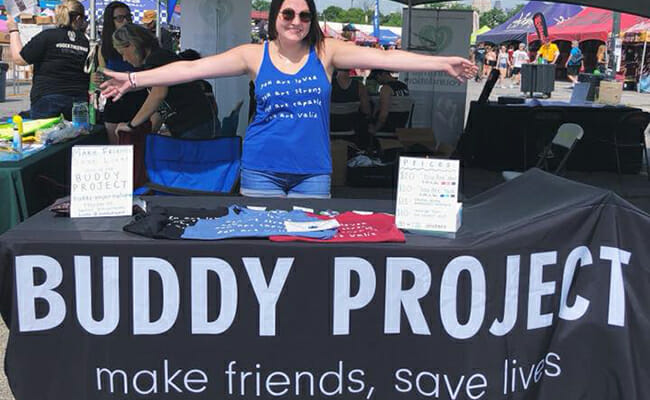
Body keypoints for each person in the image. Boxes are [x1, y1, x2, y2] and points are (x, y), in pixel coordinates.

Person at [101, 0, 476, 199]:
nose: (296, 20)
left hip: (312, 172)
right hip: (261, 170)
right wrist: (134, 79)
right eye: (288, 13)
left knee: (309, 267)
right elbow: (190, 70)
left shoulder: (327, 52)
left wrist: (442, 61)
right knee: (262, 260)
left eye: (305, 15)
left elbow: (386, 58)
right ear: (275, 15)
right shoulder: (253, 54)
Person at [110, 23, 217, 139]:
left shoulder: (156, 60)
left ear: (132, 45)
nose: (124, 59)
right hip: (195, 124)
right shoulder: (161, 57)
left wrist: (132, 125)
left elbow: (158, 94)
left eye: (122, 53)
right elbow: (160, 105)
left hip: (194, 125)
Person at [7, 0, 89, 119]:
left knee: (45, 136)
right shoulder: (84, 41)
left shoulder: (47, 36)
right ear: (77, 18)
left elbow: (19, 59)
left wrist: (13, 30)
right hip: (78, 101)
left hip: (48, 98)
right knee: (75, 136)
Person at [97, 1, 148, 144]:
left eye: (128, 17)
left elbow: (152, 77)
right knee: (117, 151)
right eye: (120, 18)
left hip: (140, 101)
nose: (125, 21)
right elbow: (104, 79)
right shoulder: (104, 48)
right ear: (110, 21)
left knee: (140, 150)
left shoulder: (140, 43)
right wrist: (98, 80)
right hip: (116, 103)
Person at [369, 69, 410, 135]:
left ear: (383, 73)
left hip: (387, 128)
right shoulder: (404, 87)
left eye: (376, 77)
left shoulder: (386, 89)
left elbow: (383, 115)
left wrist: (375, 129)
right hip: (401, 127)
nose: (376, 81)